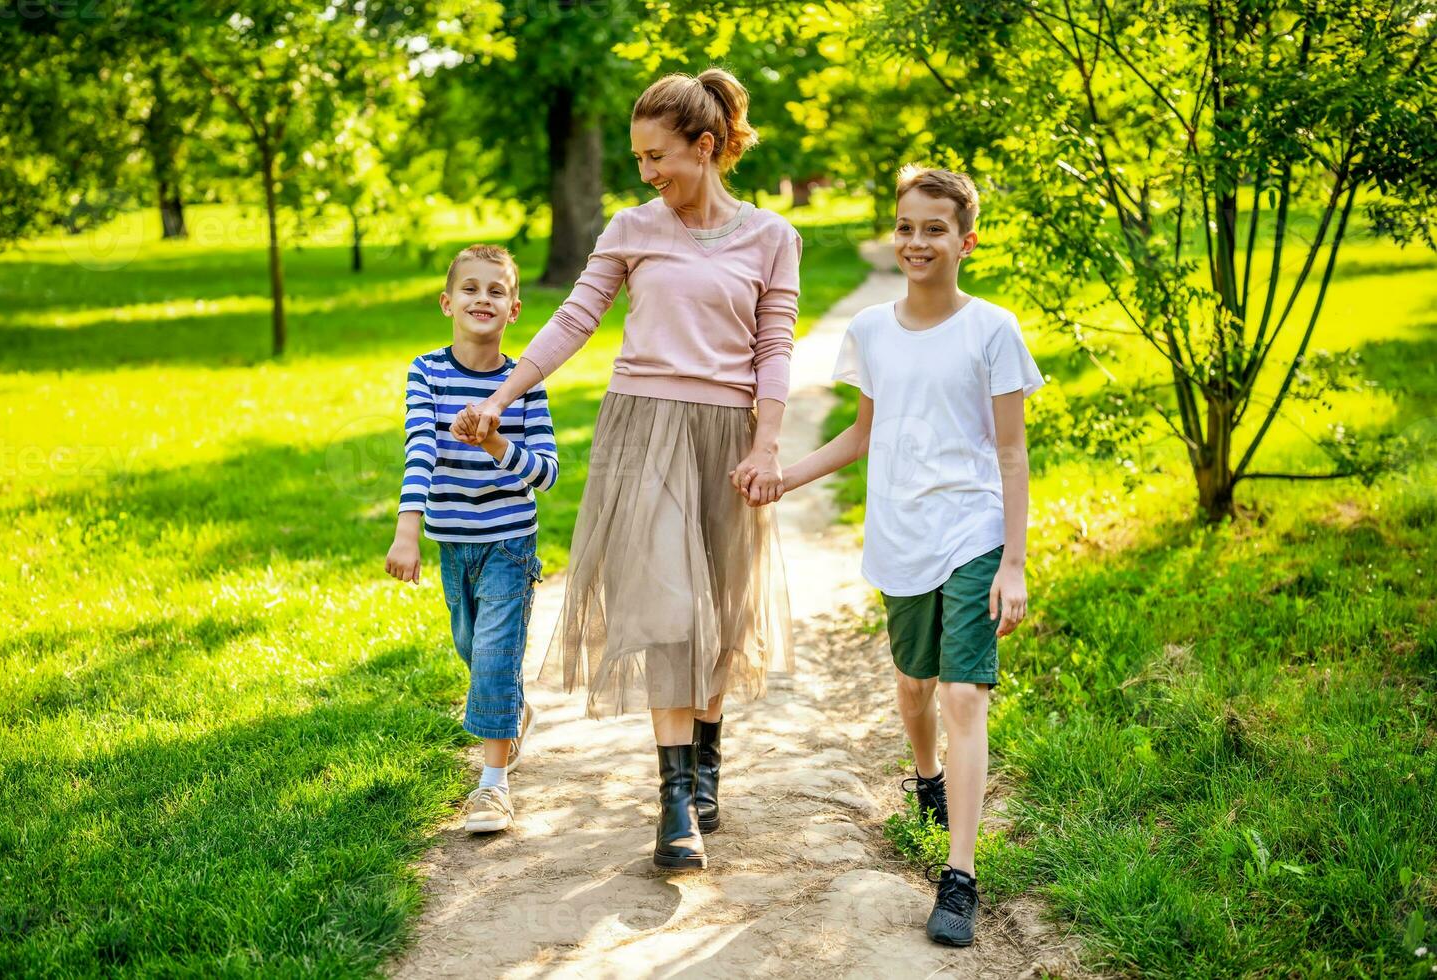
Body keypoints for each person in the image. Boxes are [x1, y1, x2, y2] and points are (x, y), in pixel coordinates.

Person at [454, 68, 801, 870]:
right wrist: (502, 396)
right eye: (639, 159)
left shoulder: (772, 237)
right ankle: (674, 800)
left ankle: (706, 761)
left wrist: (766, 444)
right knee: (666, 610)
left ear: (706, 147)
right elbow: (576, 318)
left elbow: (774, 346)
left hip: (728, 435)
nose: (647, 173)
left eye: (658, 157)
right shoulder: (632, 227)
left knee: (720, 606)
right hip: (641, 431)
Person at [768, 167, 1041, 944]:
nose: (917, 241)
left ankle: (960, 877)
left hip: (974, 534)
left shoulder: (993, 329)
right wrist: (786, 476)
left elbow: (1013, 455)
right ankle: (925, 778)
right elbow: (860, 436)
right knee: (914, 686)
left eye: (934, 229)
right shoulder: (872, 332)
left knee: (963, 696)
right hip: (900, 535)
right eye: (907, 227)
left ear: (966, 241)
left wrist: (1014, 563)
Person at [386, 244, 557, 835]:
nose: (482, 298)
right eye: (470, 289)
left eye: (496, 291)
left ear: (513, 309)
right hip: (451, 542)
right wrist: (408, 530)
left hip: (510, 542)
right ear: (447, 302)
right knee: (472, 648)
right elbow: (420, 448)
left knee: (492, 656)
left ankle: (492, 787)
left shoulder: (523, 382)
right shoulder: (426, 372)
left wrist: (495, 444)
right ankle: (511, 708)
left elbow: (547, 473)